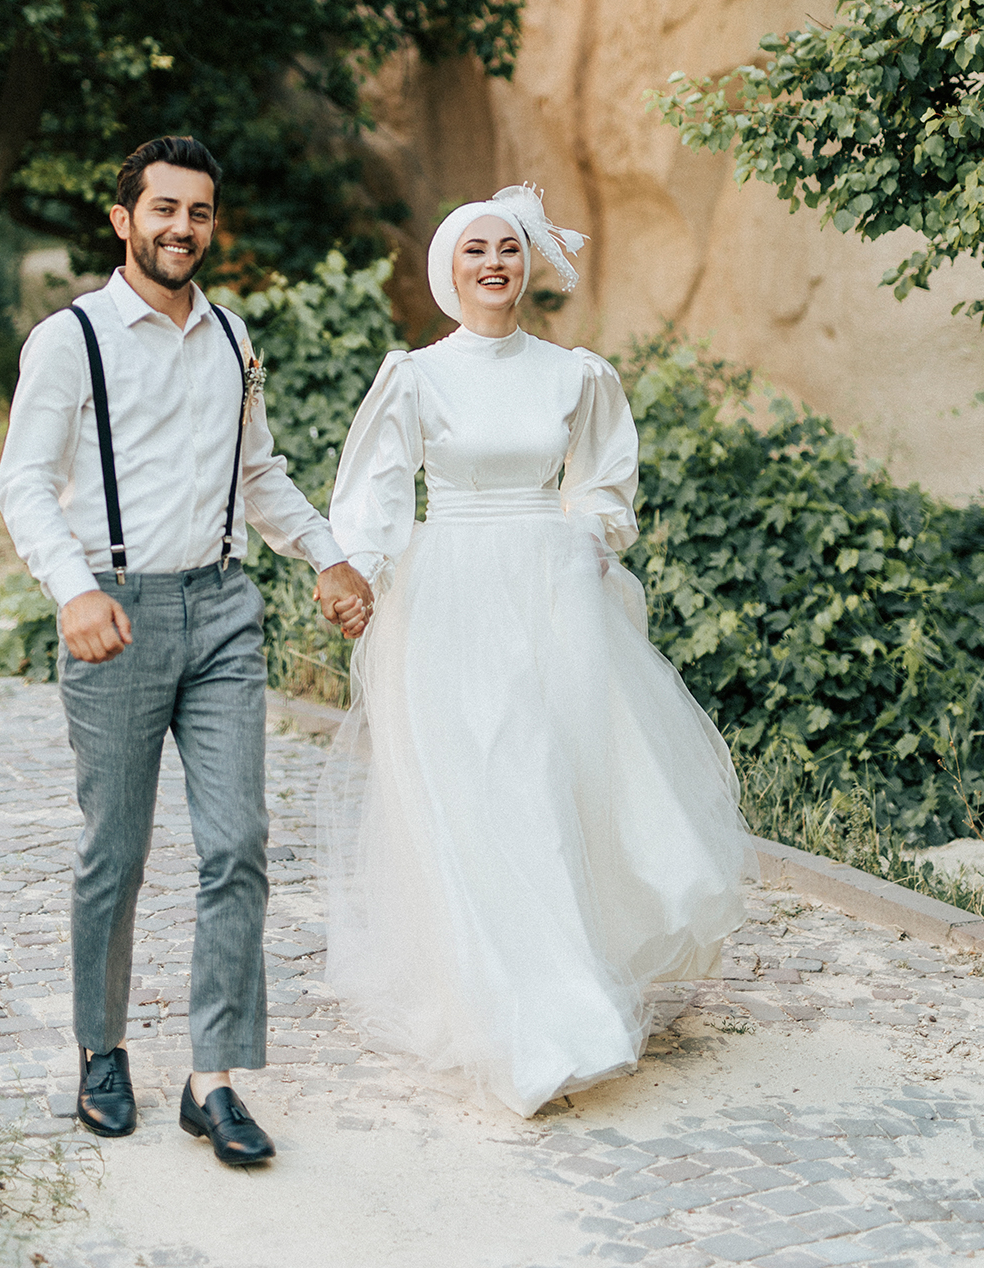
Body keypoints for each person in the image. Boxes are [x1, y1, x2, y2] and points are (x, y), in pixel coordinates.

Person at [319, 184, 756, 1118]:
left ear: (527, 266)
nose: (492, 263)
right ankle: (512, 1015)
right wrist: (355, 569)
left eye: (507, 249)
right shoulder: (416, 376)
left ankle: (569, 995)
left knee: (553, 786)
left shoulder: (575, 375)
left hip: (552, 599)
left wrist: (588, 537)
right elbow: (377, 489)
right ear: (449, 268)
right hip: (451, 600)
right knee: (480, 792)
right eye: (474, 249)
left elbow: (603, 480)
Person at [0, 135, 372, 1164]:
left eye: (198, 211)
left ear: (212, 222)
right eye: (162, 208)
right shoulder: (69, 338)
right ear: (123, 219)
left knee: (237, 841)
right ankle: (100, 1049)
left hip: (221, 609)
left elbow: (260, 473)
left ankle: (212, 1077)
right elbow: (23, 480)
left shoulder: (230, 337)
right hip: (110, 613)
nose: (181, 227)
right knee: (112, 849)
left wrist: (327, 555)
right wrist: (71, 587)